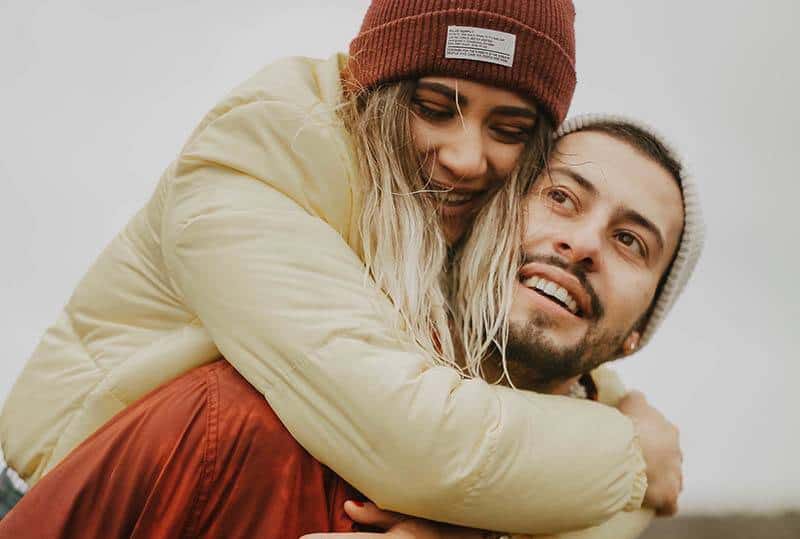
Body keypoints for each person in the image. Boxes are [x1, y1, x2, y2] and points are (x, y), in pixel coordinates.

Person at [0, 0, 681, 533]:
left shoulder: (460, 214)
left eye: (507, 129)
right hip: (70, 497)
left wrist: (485, 532)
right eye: (434, 107)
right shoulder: (250, 164)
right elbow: (411, 440)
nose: (467, 156)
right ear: (372, 83)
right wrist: (627, 461)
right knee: (254, 415)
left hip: (233, 502)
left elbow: (561, 401)